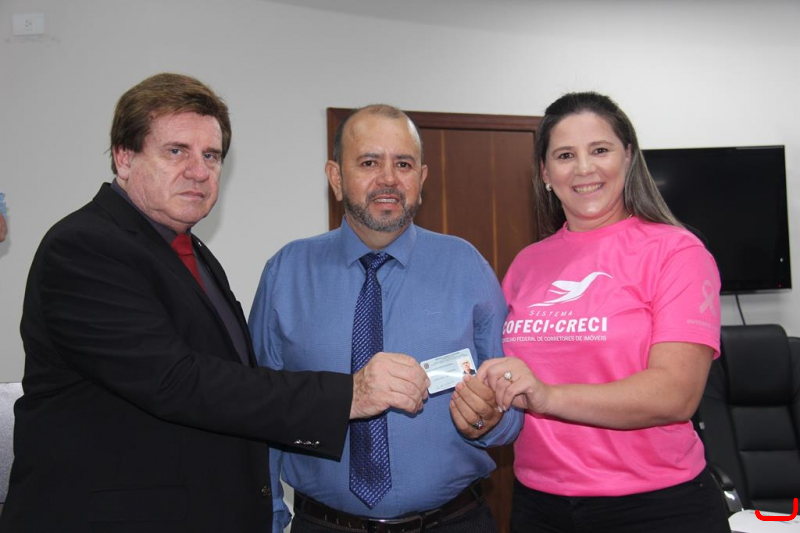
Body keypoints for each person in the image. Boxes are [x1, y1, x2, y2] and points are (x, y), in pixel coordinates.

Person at [0, 74, 429, 533]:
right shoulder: (84, 246)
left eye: (211, 155)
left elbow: (233, 380)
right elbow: (176, 381)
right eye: (176, 151)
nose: (199, 171)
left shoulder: (189, 250)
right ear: (124, 158)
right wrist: (349, 395)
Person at [249, 104, 523, 533]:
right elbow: (257, 409)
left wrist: (490, 420)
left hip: (454, 523)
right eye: (369, 162)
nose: (389, 179)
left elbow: (510, 402)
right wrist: (267, 519)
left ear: (421, 179)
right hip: (325, 526)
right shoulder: (286, 273)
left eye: (404, 164)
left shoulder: (466, 266)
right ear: (336, 177)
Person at [478, 92, 730, 533]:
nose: (584, 168)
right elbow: (510, 380)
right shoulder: (526, 264)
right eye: (565, 155)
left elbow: (676, 394)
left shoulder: (678, 252)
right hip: (539, 504)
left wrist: (549, 397)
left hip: (656, 506)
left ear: (628, 157)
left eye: (599, 150)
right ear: (545, 173)